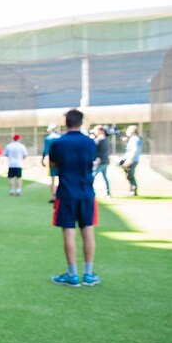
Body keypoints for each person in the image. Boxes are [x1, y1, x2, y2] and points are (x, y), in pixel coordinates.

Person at [49, 109, 100, 287]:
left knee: (69, 233)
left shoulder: (59, 142)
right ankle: (88, 274)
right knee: (88, 232)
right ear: (81, 122)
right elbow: (92, 161)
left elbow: (53, 164)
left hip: (66, 193)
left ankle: (72, 275)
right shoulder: (90, 143)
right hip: (86, 193)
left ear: (66, 122)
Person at [41, 123, 61, 203]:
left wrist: (43, 159)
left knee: (53, 178)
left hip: (52, 160)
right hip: (61, 160)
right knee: (61, 177)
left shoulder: (48, 138)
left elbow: (46, 150)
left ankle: (54, 196)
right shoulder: (60, 138)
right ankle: (60, 195)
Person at [120, 125, 142, 196]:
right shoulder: (133, 139)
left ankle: (133, 190)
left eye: (128, 130)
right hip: (130, 159)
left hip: (132, 160)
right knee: (129, 175)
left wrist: (129, 160)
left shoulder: (135, 139)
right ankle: (132, 190)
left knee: (130, 175)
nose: (126, 132)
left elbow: (134, 150)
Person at [92, 125, 111, 198]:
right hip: (104, 160)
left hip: (99, 161)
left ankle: (91, 192)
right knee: (104, 177)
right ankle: (108, 193)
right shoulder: (105, 139)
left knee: (92, 176)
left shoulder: (100, 139)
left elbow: (96, 150)